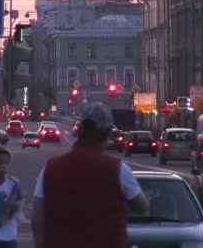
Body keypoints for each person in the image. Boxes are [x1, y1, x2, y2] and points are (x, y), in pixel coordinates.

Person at [31, 102, 149, 248]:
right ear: (107, 133)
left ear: (79, 131)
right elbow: (142, 207)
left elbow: (36, 219)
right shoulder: (118, 170)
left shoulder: (50, 169)